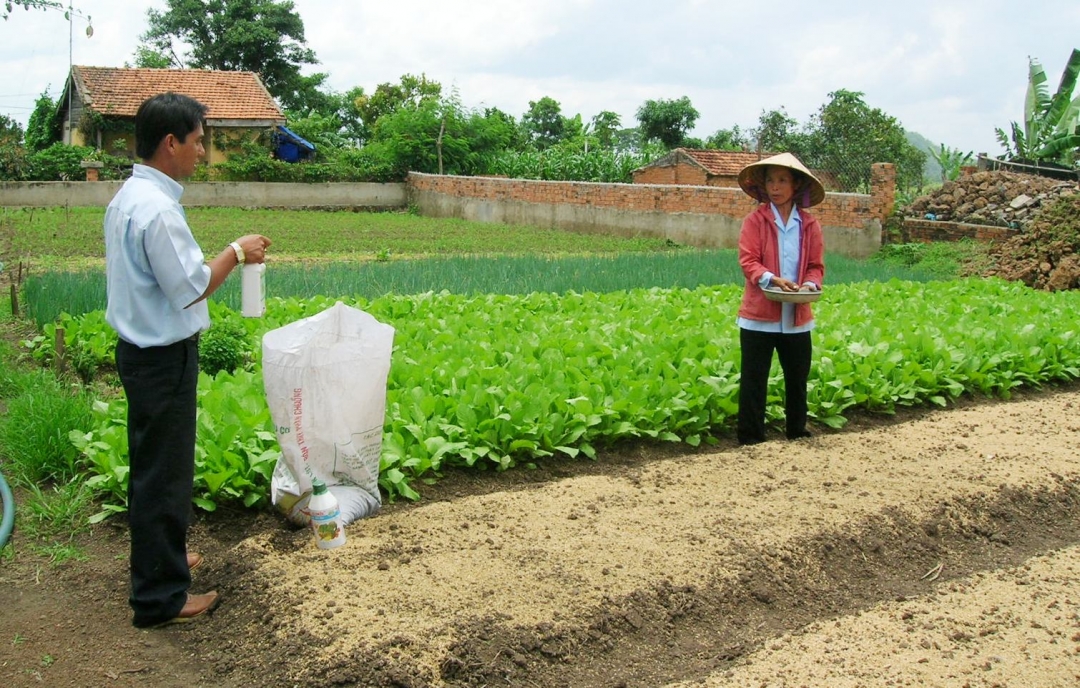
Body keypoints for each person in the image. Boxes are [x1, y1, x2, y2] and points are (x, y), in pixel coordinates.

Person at [105, 92, 271, 628]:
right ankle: (160, 598)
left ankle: (163, 560)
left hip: (140, 354)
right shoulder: (156, 209)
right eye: (199, 141)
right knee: (163, 475)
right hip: (162, 359)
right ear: (171, 142)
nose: (203, 151)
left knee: (152, 466)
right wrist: (238, 251)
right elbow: (192, 287)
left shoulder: (129, 196)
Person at [734, 152, 825, 446]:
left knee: (797, 379)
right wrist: (772, 279)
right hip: (759, 315)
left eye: (782, 180)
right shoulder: (755, 221)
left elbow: (815, 266)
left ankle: (797, 433)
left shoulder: (809, 225)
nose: (775, 186)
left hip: (796, 316)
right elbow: (749, 261)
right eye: (771, 180)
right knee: (754, 380)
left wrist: (810, 285)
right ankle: (750, 439)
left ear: (796, 185)